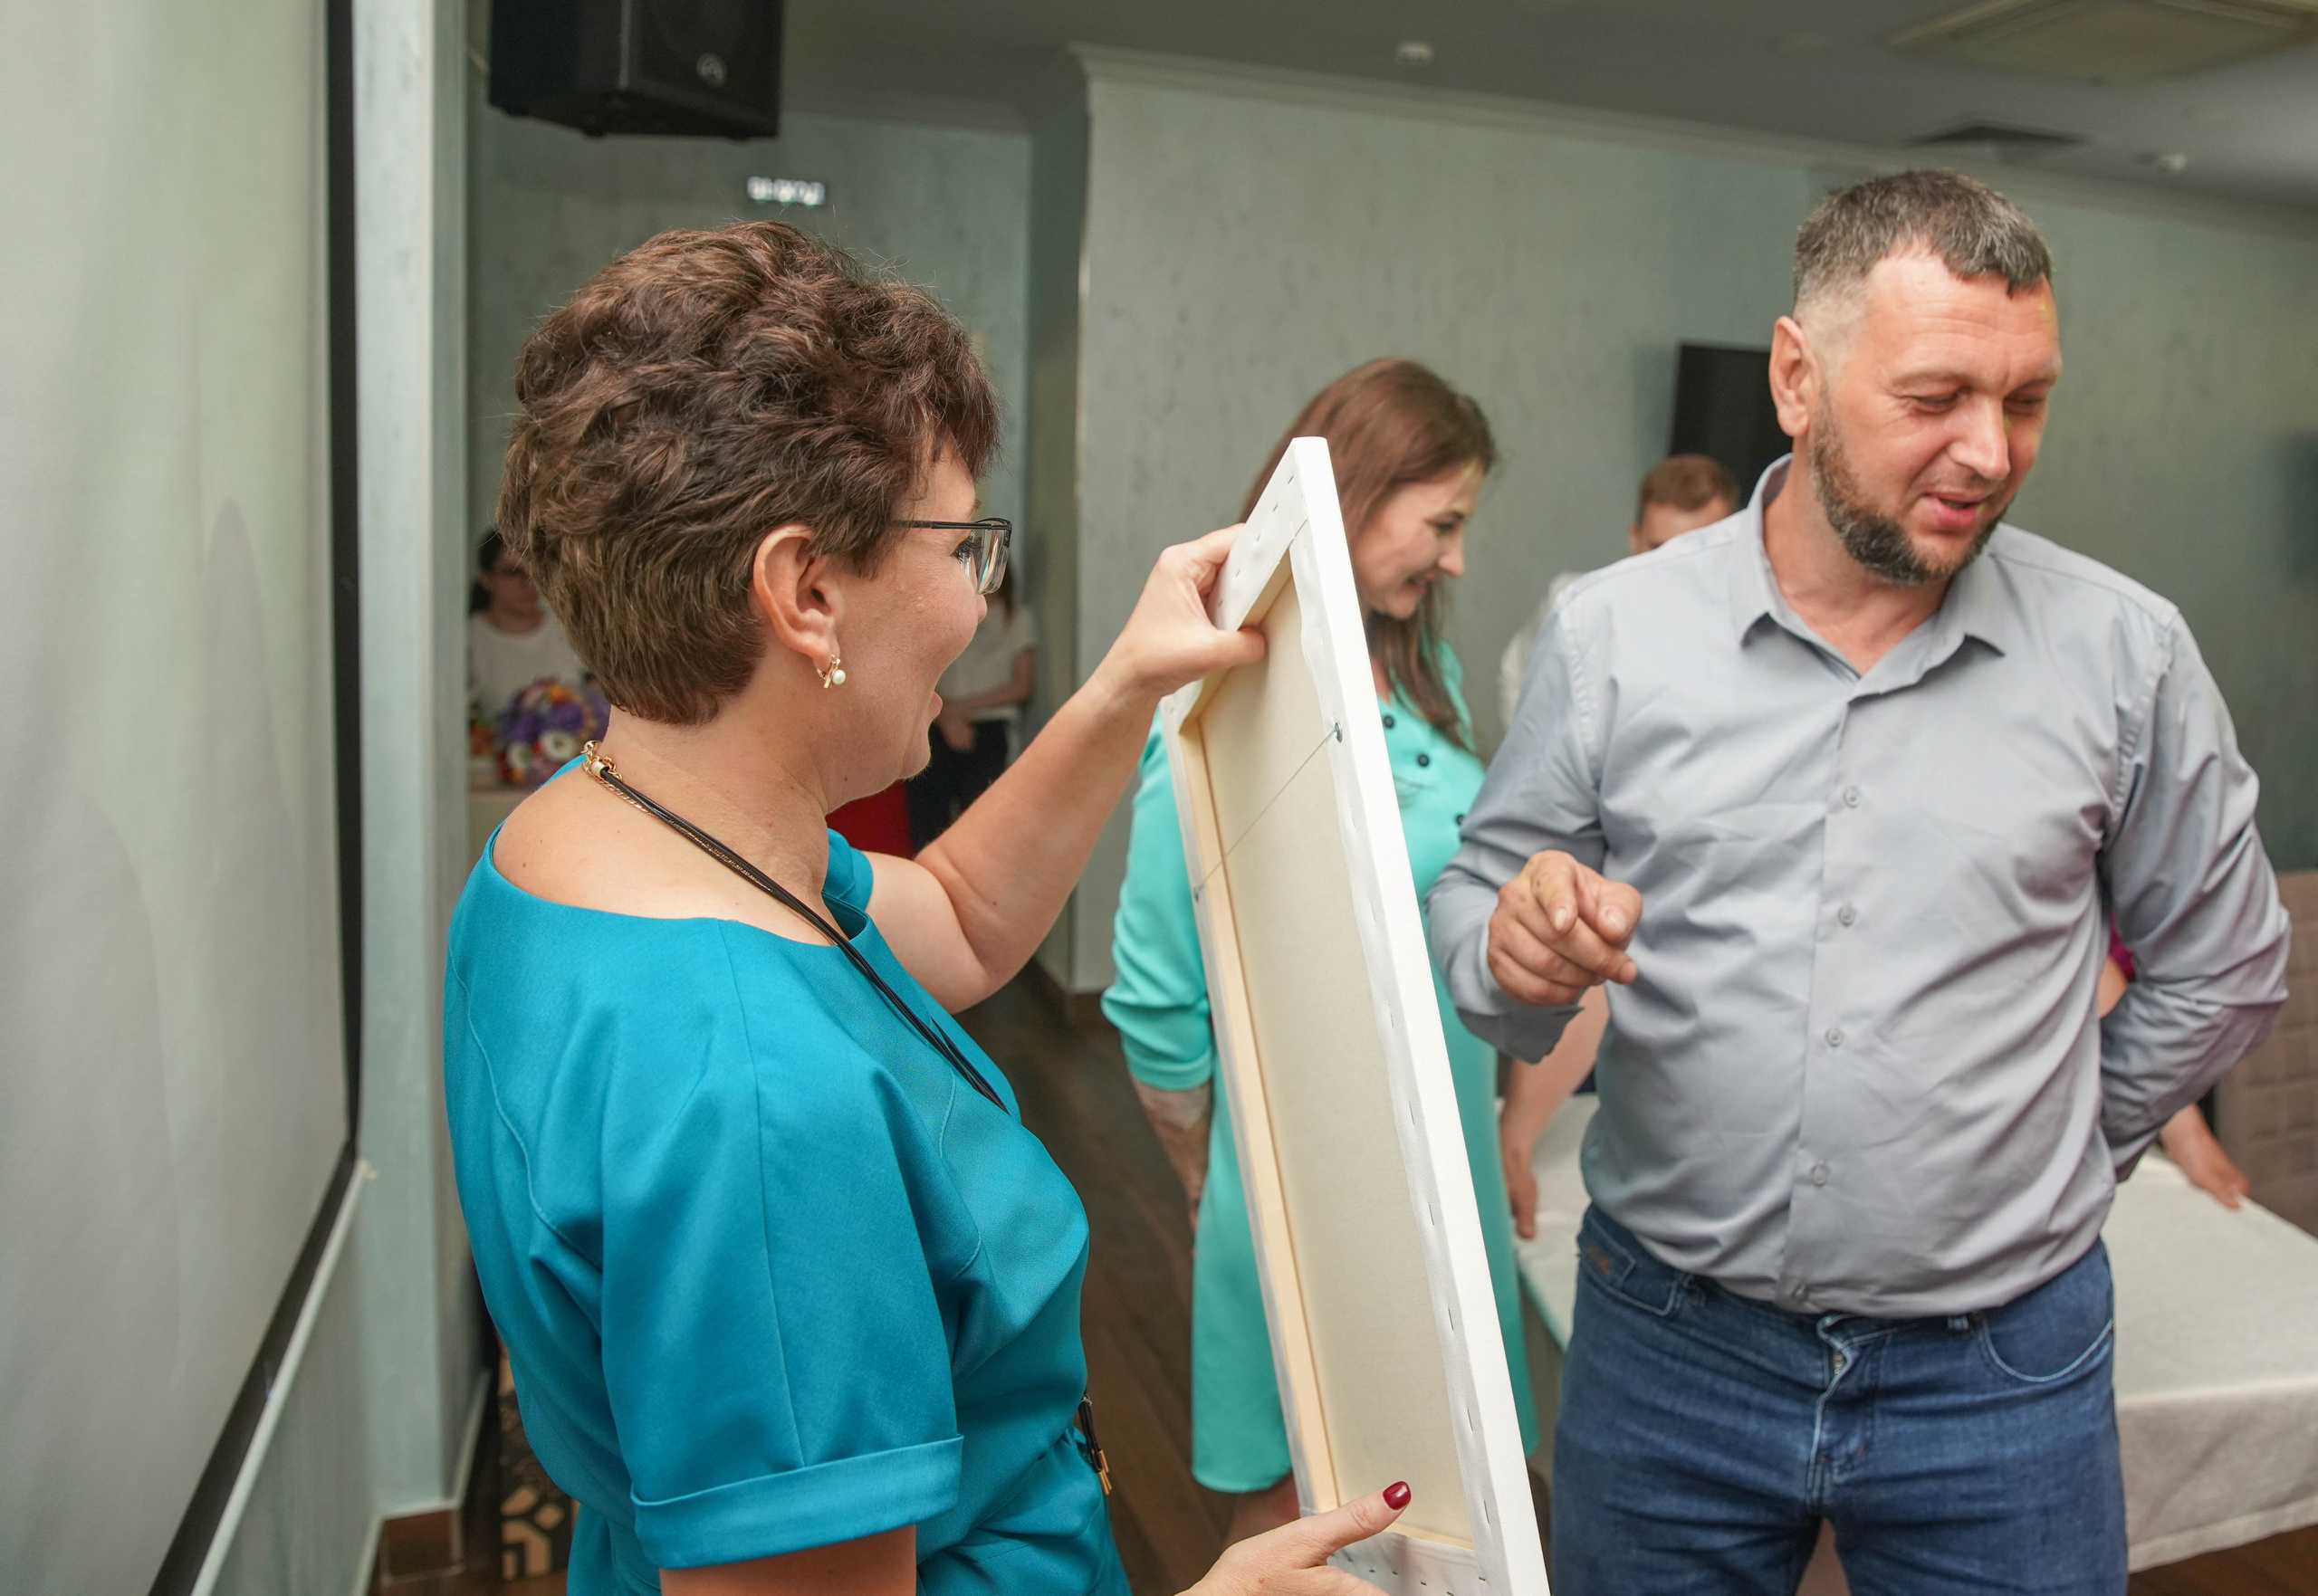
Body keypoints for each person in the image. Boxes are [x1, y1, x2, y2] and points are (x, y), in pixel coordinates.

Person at [445, 222, 1414, 1596]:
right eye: (964, 545)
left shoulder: (592, 827)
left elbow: (954, 917)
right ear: (807, 589)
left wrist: (1122, 685)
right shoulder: (765, 1111)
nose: (978, 597)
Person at [1428, 171, 2291, 1591]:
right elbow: (1480, 891)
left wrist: (2075, 1137)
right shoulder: (1613, 634)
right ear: (1797, 376)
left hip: (2004, 1373)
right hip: (1668, 1353)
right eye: (1937, 394)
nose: (1990, 451)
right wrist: (1510, 949)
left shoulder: (2127, 655)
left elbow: (2227, 955)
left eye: (2026, 400)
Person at [1106, 358, 1539, 1545]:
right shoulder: (1217, 686)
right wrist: (1210, 1171)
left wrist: (1502, 1121)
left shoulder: (1425, 665)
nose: (1455, 558)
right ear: (1357, 494)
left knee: (1457, 1508)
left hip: (1446, 1140)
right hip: (1310, 1178)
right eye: (1442, 522)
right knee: (1304, 1508)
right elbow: (1154, 990)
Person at [1495, 454, 1737, 731]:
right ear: (1634, 539)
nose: (1675, 571)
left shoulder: (1752, 641)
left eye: (1695, 553)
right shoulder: (1576, 605)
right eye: (1659, 551)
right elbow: (1516, 673)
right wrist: (1532, 765)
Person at [906, 564, 1037, 847]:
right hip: (936, 721)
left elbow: (1022, 684)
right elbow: (919, 669)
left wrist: (959, 709)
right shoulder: (945, 611)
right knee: (928, 821)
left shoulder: (1016, 617)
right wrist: (946, 717)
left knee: (982, 822)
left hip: (986, 725)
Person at [468, 528, 590, 731]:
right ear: (486, 579)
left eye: (533, 572)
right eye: (512, 573)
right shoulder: (469, 639)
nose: (526, 583)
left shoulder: (569, 627)